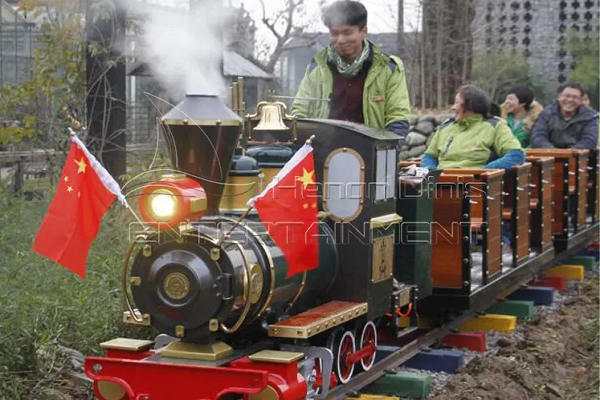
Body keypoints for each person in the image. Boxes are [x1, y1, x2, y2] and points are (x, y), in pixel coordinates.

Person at [291, 0, 411, 144]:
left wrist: (386, 151)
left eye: (347, 33)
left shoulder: (389, 68)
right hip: (323, 151)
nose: (340, 40)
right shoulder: (317, 67)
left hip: (371, 152)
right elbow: (300, 112)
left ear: (363, 32)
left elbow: (397, 118)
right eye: (334, 33)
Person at [421, 85, 525, 171]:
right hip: (441, 182)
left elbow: (516, 155)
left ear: (471, 105)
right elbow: (429, 156)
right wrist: (430, 171)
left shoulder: (495, 126)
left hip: (475, 185)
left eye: (457, 102)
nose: (453, 107)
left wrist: (485, 171)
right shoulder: (445, 127)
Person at [530, 82, 598, 149]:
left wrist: (569, 153)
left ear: (580, 100)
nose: (570, 100)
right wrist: (554, 152)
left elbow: (590, 141)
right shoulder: (546, 113)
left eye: (575, 97)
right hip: (549, 155)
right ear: (559, 96)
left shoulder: (590, 116)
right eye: (567, 96)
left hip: (578, 156)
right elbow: (537, 137)